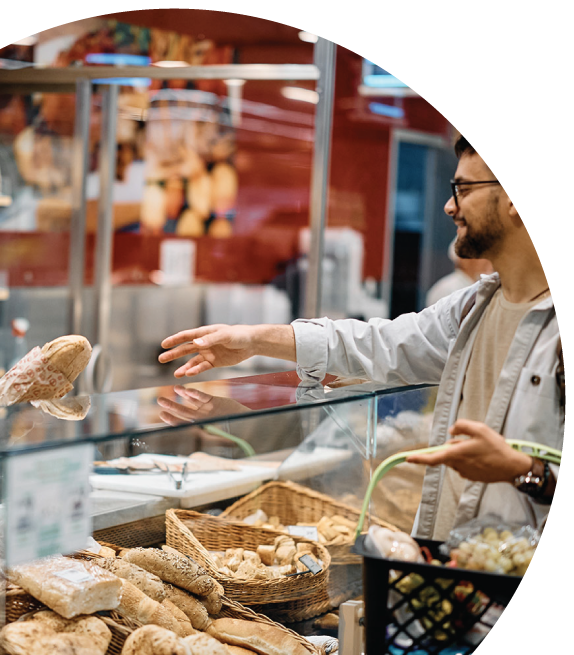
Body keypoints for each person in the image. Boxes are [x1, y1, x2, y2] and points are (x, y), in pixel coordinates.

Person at [159, 134, 561, 541]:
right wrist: (255, 339)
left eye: (464, 188)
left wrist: (523, 471)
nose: (449, 206)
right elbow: (379, 344)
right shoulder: (473, 307)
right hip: (452, 567)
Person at [424, 239, 492, 308]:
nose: (487, 260)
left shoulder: (477, 286)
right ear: (464, 259)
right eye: (481, 255)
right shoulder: (447, 290)